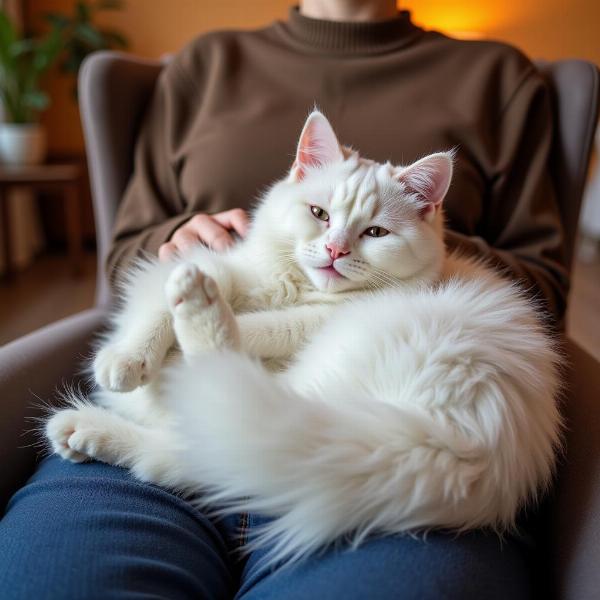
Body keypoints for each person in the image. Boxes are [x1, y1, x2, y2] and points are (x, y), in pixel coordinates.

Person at [0, 1, 566, 598]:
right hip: (165, 407)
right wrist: (175, 240)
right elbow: (123, 248)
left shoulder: (498, 73)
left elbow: (543, 282)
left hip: (383, 476)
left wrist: (415, 249)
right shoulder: (206, 63)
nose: (334, 247)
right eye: (320, 214)